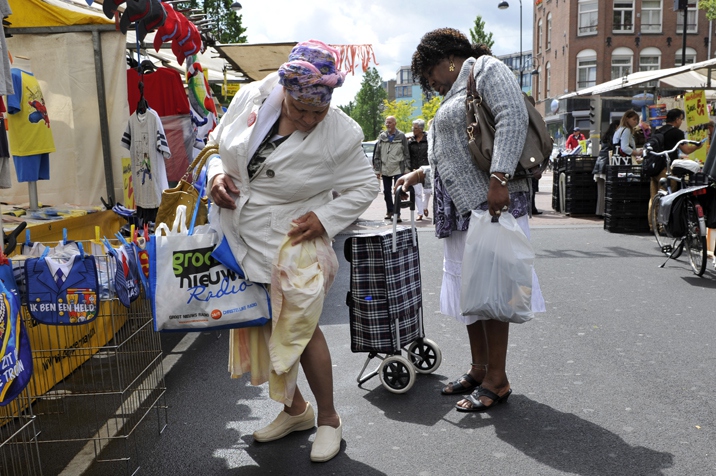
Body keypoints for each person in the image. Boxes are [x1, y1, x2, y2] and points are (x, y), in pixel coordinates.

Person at [207, 40, 378, 463]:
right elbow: (216, 142)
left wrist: (325, 217)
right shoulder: (252, 95)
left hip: (293, 242)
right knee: (263, 324)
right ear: (284, 91)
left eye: (317, 112)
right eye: (300, 110)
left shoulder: (339, 132)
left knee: (301, 329)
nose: (308, 119)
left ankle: (329, 420)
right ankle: (294, 410)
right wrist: (214, 175)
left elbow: (366, 186)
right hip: (239, 235)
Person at [397, 27, 544, 412]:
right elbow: (457, 154)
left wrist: (500, 178)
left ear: (447, 58)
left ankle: (498, 379)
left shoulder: (487, 70)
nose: (428, 81)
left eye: (428, 72)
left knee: (493, 292)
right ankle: (479, 369)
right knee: (472, 294)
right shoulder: (455, 90)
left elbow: (511, 118)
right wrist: (420, 174)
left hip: (488, 203)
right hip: (460, 208)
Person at [647, 108, 702, 231]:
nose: (681, 122)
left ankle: (653, 226)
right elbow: (686, 149)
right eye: (681, 119)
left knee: (654, 197)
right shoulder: (677, 133)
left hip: (654, 167)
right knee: (667, 197)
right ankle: (663, 226)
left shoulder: (658, 130)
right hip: (666, 168)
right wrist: (698, 147)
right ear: (677, 119)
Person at [373, 115, 409, 222]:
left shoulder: (401, 136)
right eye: (386, 122)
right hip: (385, 168)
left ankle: (397, 213)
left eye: (389, 122)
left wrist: (407, 169)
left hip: (398, 167)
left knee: (398, 191)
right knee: (386, 191)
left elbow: (406, 153)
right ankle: (390, 210)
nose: (387, 124)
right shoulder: (382, 136)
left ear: (395, 124)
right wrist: (377, 170)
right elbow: (377, 154)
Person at [592, 119, 620, 218]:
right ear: (617, 126)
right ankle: (605, 212)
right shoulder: (615, 136)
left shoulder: (606, 136)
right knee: (607, 190)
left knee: (601, 191)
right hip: (606, 164)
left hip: (599, 164)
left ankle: (599, 212)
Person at [408, 118, 430, 220]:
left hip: (427, 170)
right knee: (417, 193)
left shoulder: (428, 139)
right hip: (415, 170)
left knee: (428, 191)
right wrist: (409, 168)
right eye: (413, 127)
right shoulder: (410, 141)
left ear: (421, 129)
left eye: (415, 128)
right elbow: (407, 156)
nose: (413, 129)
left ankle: (425, 207)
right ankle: (420, 212)